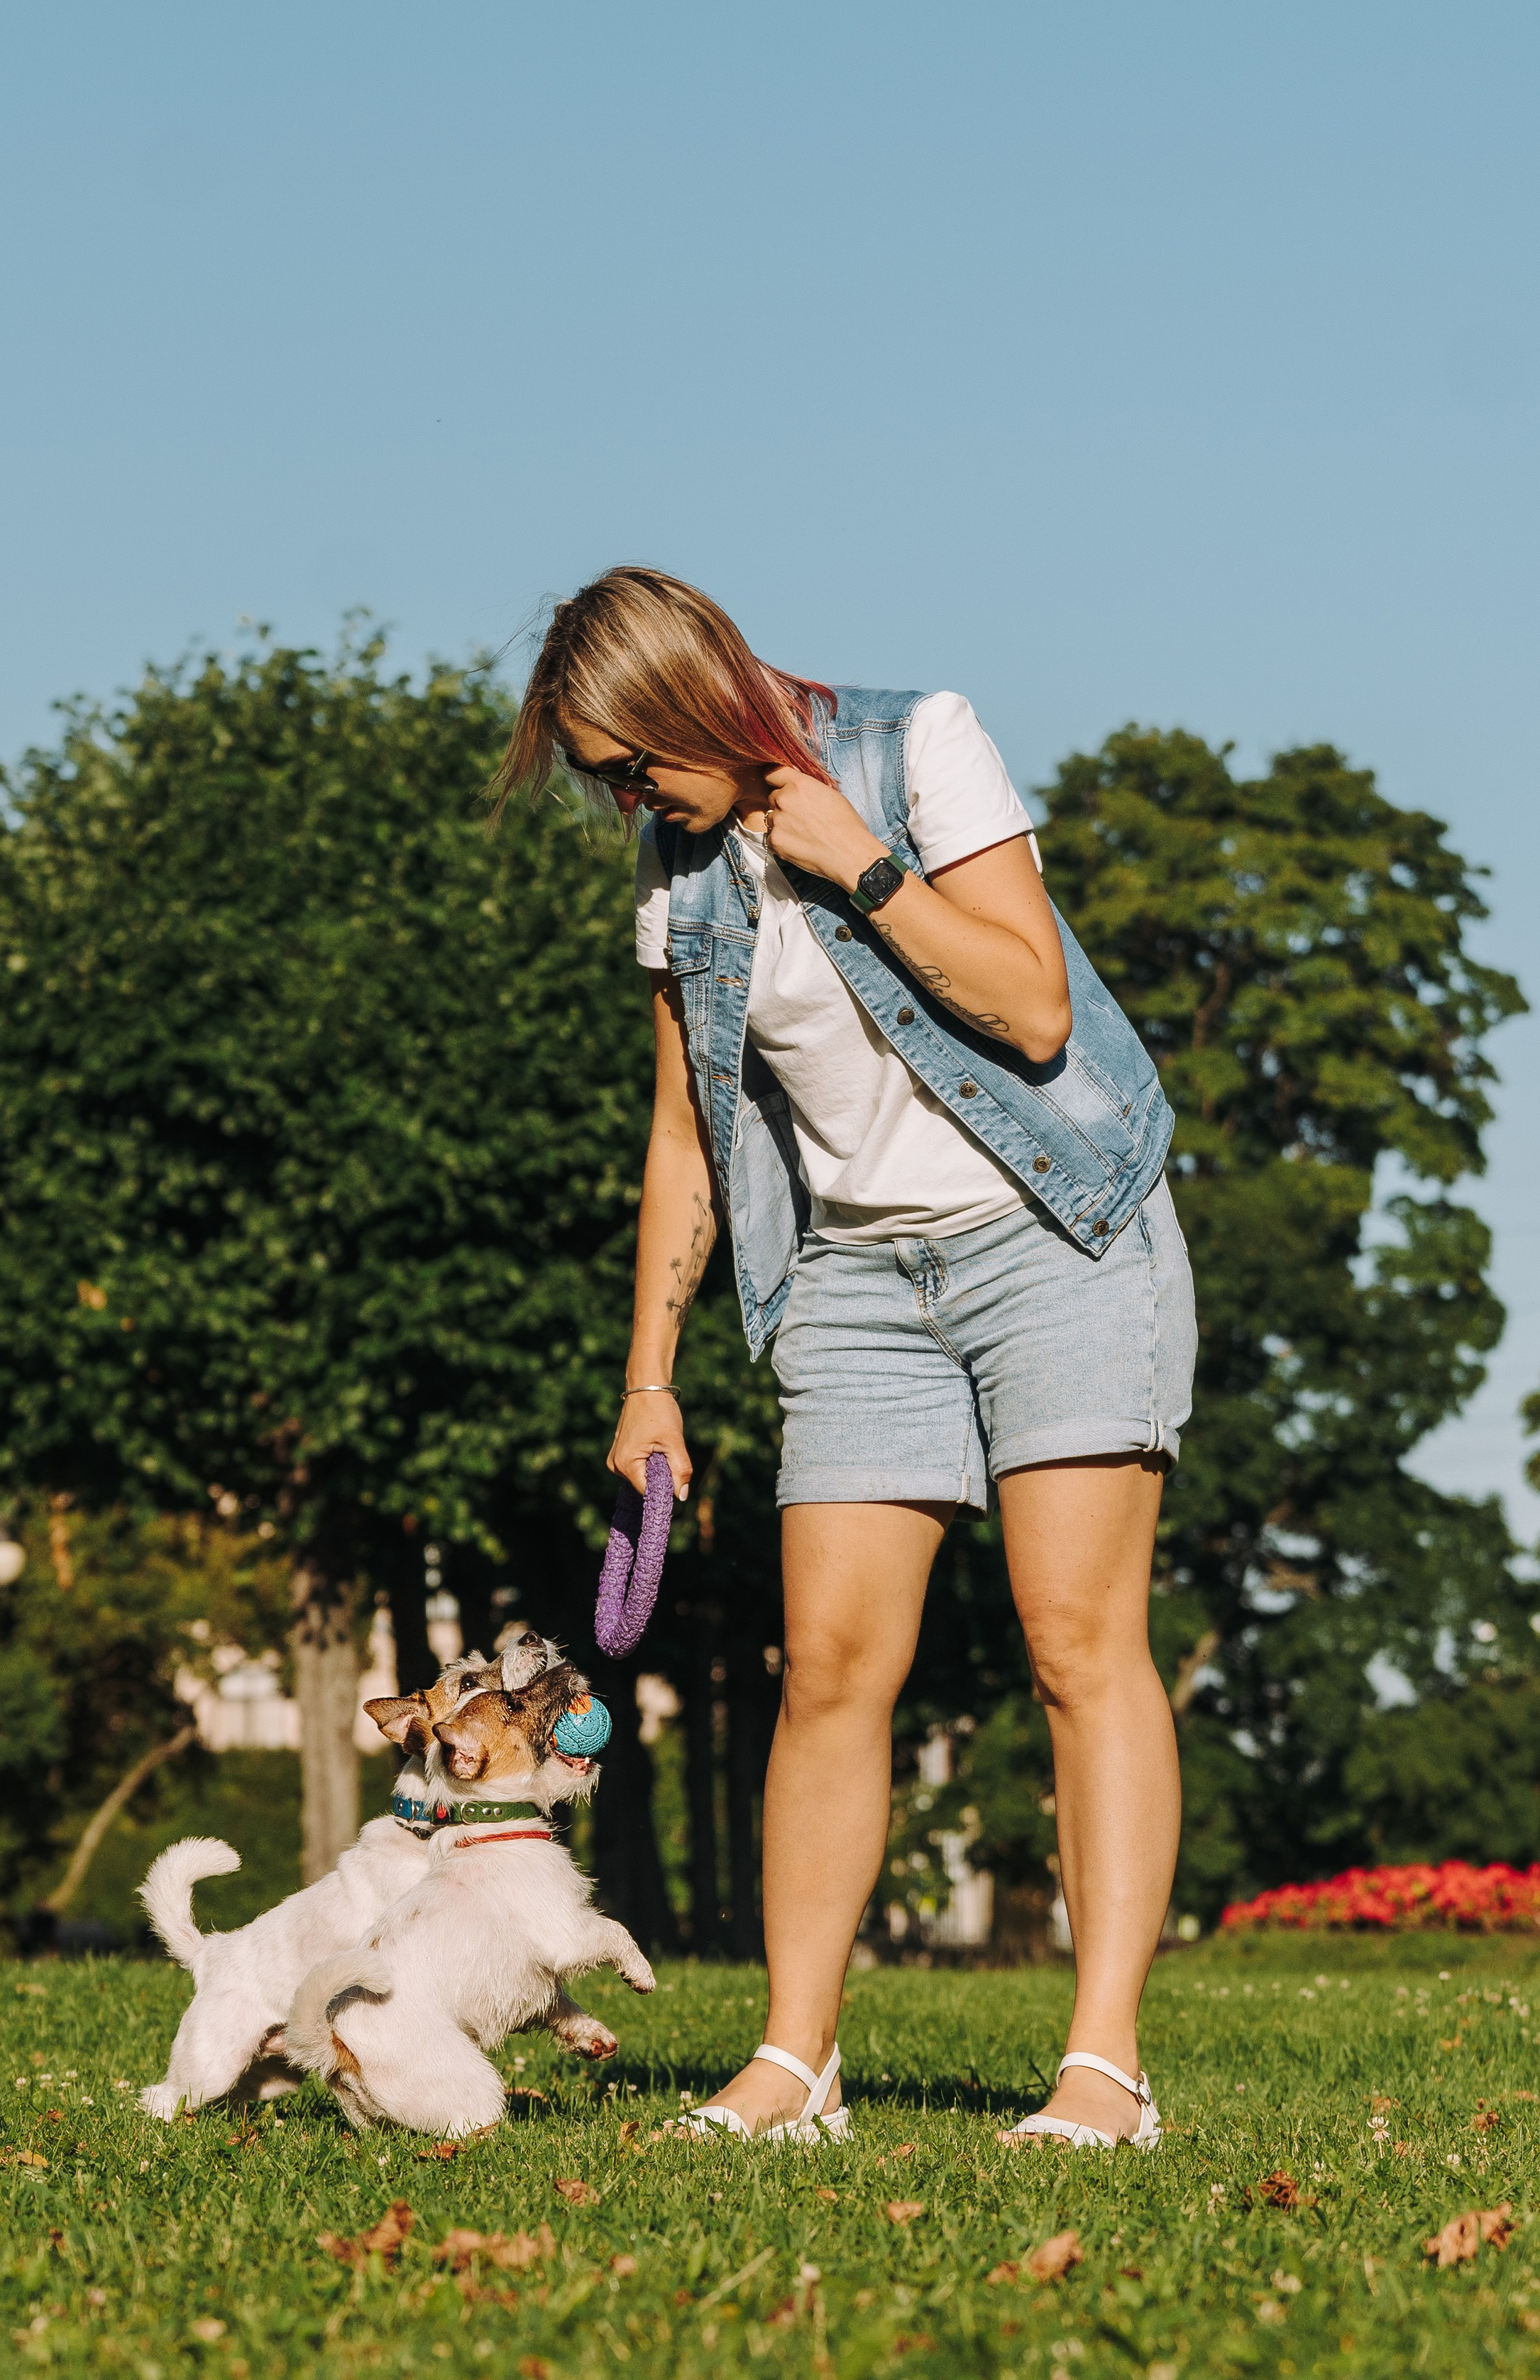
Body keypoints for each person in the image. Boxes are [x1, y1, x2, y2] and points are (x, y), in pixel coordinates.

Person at [496, 566, 1196, 2150]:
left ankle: (1103, 2068)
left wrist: (862, 867)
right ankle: (793, 2062)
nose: (622, 797)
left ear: (697, 699)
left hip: (1055, 1236)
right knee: (823, 1669)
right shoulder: (676, 875)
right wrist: (647, 1377)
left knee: (1075, 1642)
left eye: (630, 761)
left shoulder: (914, 747)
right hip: (856, 1277)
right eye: (601, 777)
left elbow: (1027, 1009)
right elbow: (683, 1131)